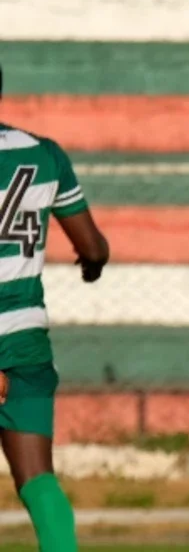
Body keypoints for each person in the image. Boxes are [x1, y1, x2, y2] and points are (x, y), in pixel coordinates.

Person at [0, 63, 111, 551]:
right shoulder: (43, 154)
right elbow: (92, 245)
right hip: (24, 339)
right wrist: (93, 264)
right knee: (38, 479)